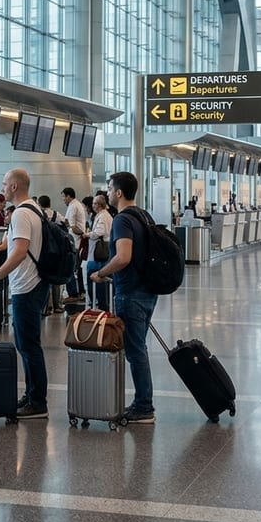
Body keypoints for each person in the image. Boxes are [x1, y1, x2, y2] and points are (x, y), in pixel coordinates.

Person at [0, 168, 49, 420]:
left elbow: (19, 251)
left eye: (5, 183)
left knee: (29, 346)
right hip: (36, 283)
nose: (2, 187)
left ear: (15, 187)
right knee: (28, 345)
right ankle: (32, 395)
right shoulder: (36, 209)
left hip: (27, 286)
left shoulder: (20, 214)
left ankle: (38, 401)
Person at [90, 171, 157, 424]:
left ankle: (144, 406)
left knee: (135, 350)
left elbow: (123, 257)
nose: (107, 192)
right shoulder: (144, 215)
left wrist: (101, 272)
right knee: (139, 347)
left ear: (119, 192)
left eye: (109, 188)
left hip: (130, 293)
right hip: (148, 290)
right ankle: (143, 403)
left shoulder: (122, 220)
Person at [84, 193, 113, 311]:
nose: (92, 205)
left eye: (94, 203)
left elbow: (99, 232)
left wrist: (87, 234)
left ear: (99, 205)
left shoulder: (103, 216)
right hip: (98, 253)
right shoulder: (102, 215)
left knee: (94, 278)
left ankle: (100, 306)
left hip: (99, 253)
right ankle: (101, 304)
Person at [61, 187, 87, 303]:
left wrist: (82, 233)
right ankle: (80, 292)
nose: (63, 200)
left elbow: (73, 226)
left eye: (63, 197)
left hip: (75, 242)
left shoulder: (73, 206)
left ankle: (73, 293)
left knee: (69, 269)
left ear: (68, 196)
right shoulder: (77, 205)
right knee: (77, 269)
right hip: (77, 241)